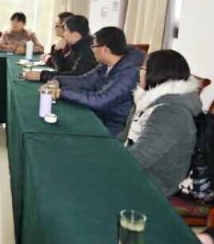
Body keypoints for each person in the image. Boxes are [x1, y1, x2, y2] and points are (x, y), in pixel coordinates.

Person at [117, 50, 200, 196]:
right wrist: (105, 151)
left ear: (155, 73)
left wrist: (107, 163)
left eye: (143, 68)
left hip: (154, 183)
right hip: (135, 167)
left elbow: (140, 157)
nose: (139, 72)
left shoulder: (171, 113)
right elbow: (125, 136)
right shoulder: (146, 100)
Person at [49, 27, 144, 134]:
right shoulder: (107, 64)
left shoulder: (130, 73)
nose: (92, 50)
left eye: (93, 46)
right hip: (100, 117)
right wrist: (58, 80)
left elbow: (100, 101)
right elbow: (86, 81)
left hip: (114, 127)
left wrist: (61, 92)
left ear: (104, 49)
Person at [24, 15, 96, 82]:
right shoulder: (76, 47)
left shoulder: (88, 51)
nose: (64, 34)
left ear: (76, 35)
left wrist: (41, 75)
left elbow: (75, 77)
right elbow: (63, 69)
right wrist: (57, 51)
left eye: (66, 30)